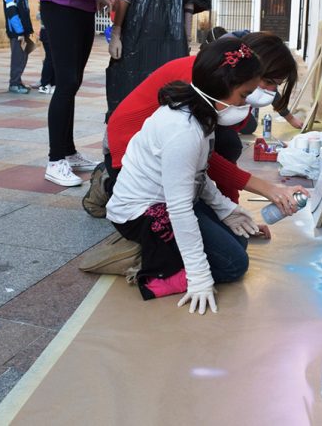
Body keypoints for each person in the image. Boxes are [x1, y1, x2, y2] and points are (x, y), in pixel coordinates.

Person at [106, 38, 263, 315]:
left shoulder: (202, 112)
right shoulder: (184, 130)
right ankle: (152, 267)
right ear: (220, 89)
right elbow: (179, 209)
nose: (245, 104)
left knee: (238, 242)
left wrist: (227, 210)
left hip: (172, 198)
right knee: (233, 265)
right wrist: (199, 277)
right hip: (142, 212)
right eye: (243, 95)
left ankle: (166, 252)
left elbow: (199, 177)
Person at [83, 32, 307, 220]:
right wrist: (267, 190)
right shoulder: (204, 78)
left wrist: (233, 210)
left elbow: (216, 153)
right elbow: (206, 158)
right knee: (169, 215)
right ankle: (110, 183)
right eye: (268, 82)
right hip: (126, 147)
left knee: (228, 144)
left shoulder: (237, 89)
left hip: (165, 148)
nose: (269, 92)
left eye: (274, 86)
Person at [38, 0, 116, 186]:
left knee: (72, 82)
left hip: (80, 9)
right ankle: (55, 159)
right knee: (66, 82)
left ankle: (68, 152)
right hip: (62, 9)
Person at [3, 0, 35, 94]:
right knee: (17, 57)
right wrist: (19, 31)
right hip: (17, 32)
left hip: (24, 30)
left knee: (24, 55)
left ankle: (18, 80)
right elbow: (12, 12)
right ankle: (14, 83)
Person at [36, 10, 55, 94]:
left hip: (51, 32)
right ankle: (45, 84)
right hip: (48, 32)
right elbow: (39, 15)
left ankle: (52, 83)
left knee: (53, 58)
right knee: (50, 58)